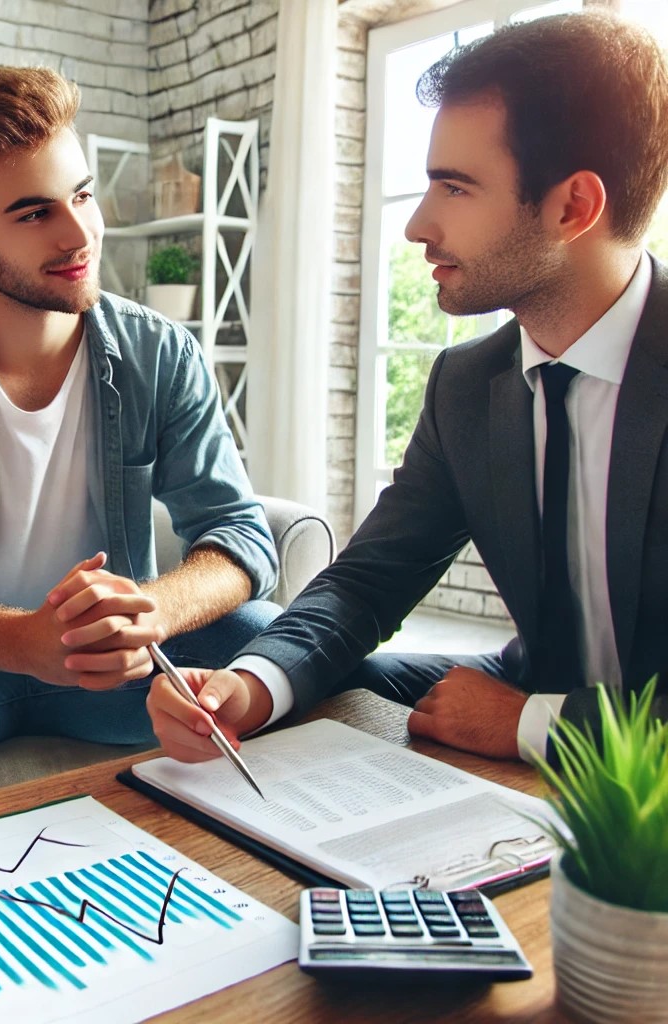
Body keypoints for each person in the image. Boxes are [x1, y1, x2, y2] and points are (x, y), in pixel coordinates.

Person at [147, 9, 668, 767]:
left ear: (573, 208)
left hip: (625, 735)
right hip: (531, 680)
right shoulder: (468, 384)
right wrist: (247, 689)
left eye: (454, 188)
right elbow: (367, 583)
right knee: (307, 682)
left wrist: (533, 726)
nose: (417, 226)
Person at [0, 65, 280, 817]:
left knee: (267, 640)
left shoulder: (160, 353)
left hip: (122, 670)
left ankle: (258, 868)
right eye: (34, 214)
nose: (79, 234)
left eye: (84, 195)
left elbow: (239, 536)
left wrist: (150, 611)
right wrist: (26, 642)